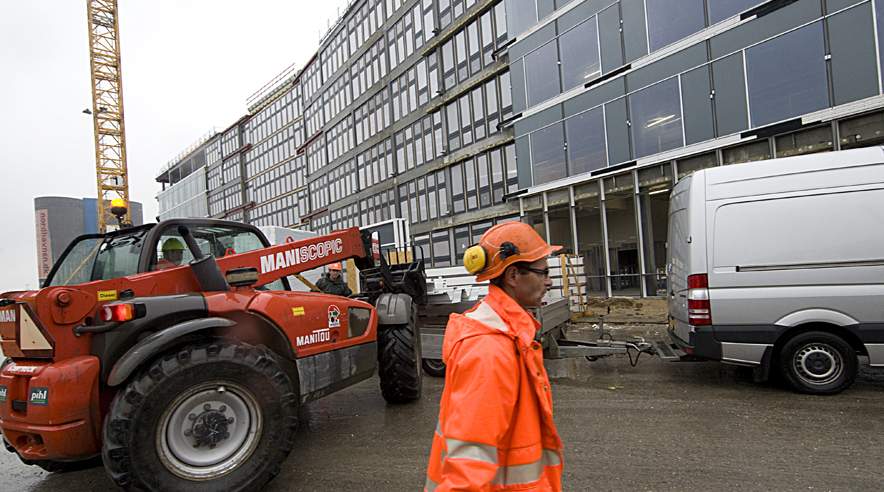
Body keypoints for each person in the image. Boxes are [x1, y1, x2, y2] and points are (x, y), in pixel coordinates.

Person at [425, 222, 564, 491]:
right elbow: (469, 463)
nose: (549, 281)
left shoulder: (508, 334)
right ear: (513, 275)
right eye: (544, 272)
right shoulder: (489, 348)